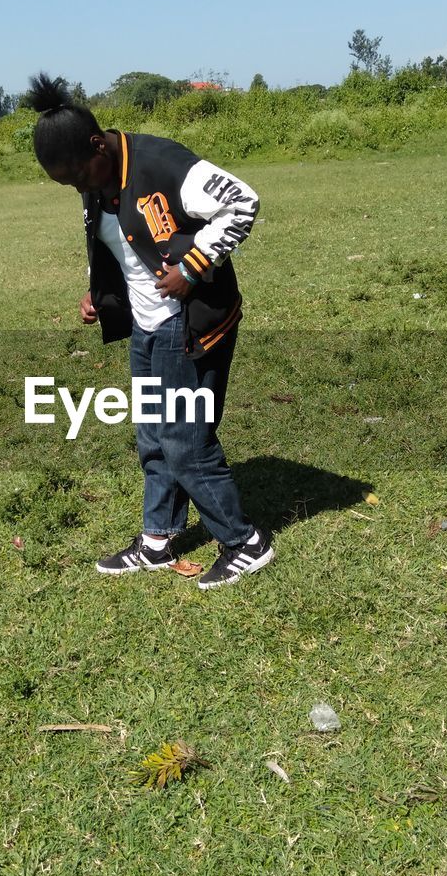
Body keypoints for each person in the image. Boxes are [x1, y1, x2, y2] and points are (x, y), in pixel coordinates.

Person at [26, 73, 273, 590]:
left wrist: (193, 265)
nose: (78, 188)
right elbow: (120, 246)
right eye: (67, 183)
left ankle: (244, 542)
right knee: (153, 437)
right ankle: (158, 539)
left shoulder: (162, 163)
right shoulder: (95, 177)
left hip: (189, 322)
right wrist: (100, 295)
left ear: (98, 145)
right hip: (145, 324)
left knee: (184, 438)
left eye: (77, 176)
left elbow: (244, 202)